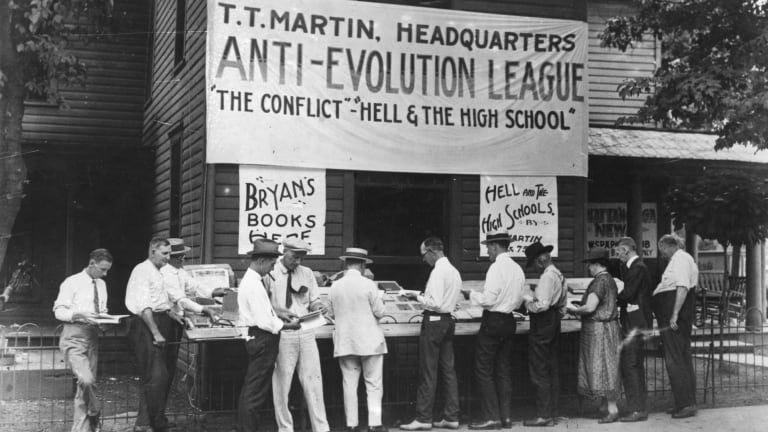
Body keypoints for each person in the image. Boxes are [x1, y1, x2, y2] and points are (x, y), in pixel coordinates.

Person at [459, 232, 524, 429]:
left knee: (483, 369)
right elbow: (519, 300)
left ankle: (491, 417)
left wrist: (472, 294)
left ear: (496, 246)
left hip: (493, 320)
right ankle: (505, 417)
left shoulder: (496, 268)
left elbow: (488, 300)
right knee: (503, 369)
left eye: (488, 247)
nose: (487, 251)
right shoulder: (517, 269)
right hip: (509, 321)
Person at [237, 239, 301, 432]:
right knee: (255, 392)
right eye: (272, 264)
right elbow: (265, 322)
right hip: (263, 339)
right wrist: (288, 325)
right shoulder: (255, 285)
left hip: (256, 337)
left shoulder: (252, 280)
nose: (272, 269)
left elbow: (264, 311)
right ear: (262, 260)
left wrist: (278, 311)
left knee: (253, 389)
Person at [266, 238, 330, 432]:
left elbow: (314, 300)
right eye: (294, 257)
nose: (298, 262)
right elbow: (264, 305)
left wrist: (319, 307)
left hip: (306, 331)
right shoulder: (270, 272)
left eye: (301, 258)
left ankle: (321, 428)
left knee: (314, 382)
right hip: (284, 333)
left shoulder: (307, 273)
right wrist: (278, 311)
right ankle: (285, 428)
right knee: (281, 384)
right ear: (284, 251)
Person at [400, 237, 461, 431]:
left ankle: (424, 417)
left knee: (428, 371)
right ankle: (451, 416)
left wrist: (416, 296)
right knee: (448, 371)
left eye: (423, 255)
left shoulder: (437, 272)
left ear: (432, 252)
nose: (423, 260)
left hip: (434, 322)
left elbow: (433, 302)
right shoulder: (453, 271)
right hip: (448, 322)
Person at [327, 247, 388, 432]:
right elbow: (380, 312)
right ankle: (374, 424)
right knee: (374, 384)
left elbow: (330, 313)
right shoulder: (369, 284)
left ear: (346, 264)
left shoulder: (335, 286)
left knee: (349, 384)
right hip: (371, 341)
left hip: (346, 341)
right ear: (362, 265)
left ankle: (351, 425)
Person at [53, 248, 113, 432]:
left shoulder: (101, 284)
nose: (105, 274)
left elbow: (102, 309)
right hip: (73, 336)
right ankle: (95, 411)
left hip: (92, 337)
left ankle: (81, 429)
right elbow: (58, 311)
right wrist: (78, 313)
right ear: (92, 263)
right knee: (86, 380)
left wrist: (105, 320)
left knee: (84, 387)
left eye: (107, 270)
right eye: (102, 269)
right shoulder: (71, 282)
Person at [124, 237, 176, 432]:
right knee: (157, 376)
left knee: (158, 376)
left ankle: (145, 422)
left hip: (161, 320)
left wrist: (172, 314)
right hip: (147, 325)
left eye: (170, 253)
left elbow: (161, 301)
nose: (168, 258)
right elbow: (145, 306)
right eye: (165, 253)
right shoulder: (142, 271)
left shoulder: (158, 272)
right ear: (153, 250)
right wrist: (156, 333)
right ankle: (156, 423)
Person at [566, 247, 621, 424]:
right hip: (609, 328)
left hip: (599, 330)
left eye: (590, 264)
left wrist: (573, 310)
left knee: (603, 366)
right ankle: (605, 406)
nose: (589, 268)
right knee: (608, 366)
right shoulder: (610, 280)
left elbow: (590, 307)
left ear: (598, 264)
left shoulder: (599, 282)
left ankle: (612, 409)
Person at [521, 241, 567, 427]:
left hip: (543, 321)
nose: (535, 267)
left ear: (540, 260)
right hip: (554, 320)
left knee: (539, 367)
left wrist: (527, 302)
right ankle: (553, 411)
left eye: (534, 263)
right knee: (551, 366)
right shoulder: (558, 273)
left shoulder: (547, 277)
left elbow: (542, 304)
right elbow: (561, 305)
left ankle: (543, 414)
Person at [652, 234, 698, 419]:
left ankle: (686, 404)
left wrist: (674, 314)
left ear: (666, 245)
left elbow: (682, 287)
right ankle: (684, 402)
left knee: (675, 360)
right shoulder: (680, 259)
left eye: (661, 248)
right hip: (672, 315)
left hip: (675, 317)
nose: (661, 253)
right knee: (681, 357)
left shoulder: (681, 259)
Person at [614, 237, 653, 422]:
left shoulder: (637, 268)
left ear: (626, 250)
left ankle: (637, 409)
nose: (617, 255)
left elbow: (628, 294)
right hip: (636, 322)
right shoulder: (635, 267)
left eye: (618, 252)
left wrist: (614, 294)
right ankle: (639, 407)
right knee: (634, 364)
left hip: (634, 323)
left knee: (630, 364)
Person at [161, 238, 221, 324]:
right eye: (180, 257)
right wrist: (204, 309)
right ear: (169, 257)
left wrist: (213, 292)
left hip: (178, 316)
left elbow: (195, 286)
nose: (182, 259)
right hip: (167, 319)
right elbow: (181, 300)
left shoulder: (180, 271)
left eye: (183, 256)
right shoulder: (166, 273)